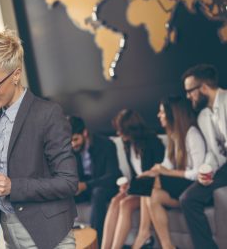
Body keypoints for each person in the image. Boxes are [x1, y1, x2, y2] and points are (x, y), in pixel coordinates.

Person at [0, 29, 78, 249]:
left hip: (48, 235)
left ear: (16, 74)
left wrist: (12, 187)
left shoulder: (48, 114)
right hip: (9, 231)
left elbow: (68, 181)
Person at [134, 96, 205, 249]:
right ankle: (167, 246)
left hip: (195, 184)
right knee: (150, 193)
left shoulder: (192, 134)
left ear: (173, 114)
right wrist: (150, 172)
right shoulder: (173, 135)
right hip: (180, 184)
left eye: (162, 112)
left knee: (148, 184)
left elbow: (198, 172)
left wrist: (166, 172)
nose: (158, 115)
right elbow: (166, 164)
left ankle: (143, 234)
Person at [101, 109, 165, 249]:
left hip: (154, 188)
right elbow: (136, 175)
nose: (118, 134)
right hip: (140, 188)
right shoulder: (129, 144)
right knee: (115, 200)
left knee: (125, 204)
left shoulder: (154, 143)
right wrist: (128, 185)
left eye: (121, 130)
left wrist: (134, 186)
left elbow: (157, 175)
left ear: (132, 129)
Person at [180, 64, 227, 249]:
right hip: (224, 168)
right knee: (188, 199)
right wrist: (205, 171)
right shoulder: (203, 116)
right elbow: (213, 154)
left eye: (190, 91)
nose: (188, 96)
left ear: (204, 88)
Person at [67, 116, 121, 245]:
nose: (73, 144)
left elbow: (112, 176)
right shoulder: (69, 149)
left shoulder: (106, 144)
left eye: (75, 139)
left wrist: (85, 185)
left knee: (98, 193)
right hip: (85, 188)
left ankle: (95, 243)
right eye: (69, 141)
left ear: (84, 133)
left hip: (106, 186)